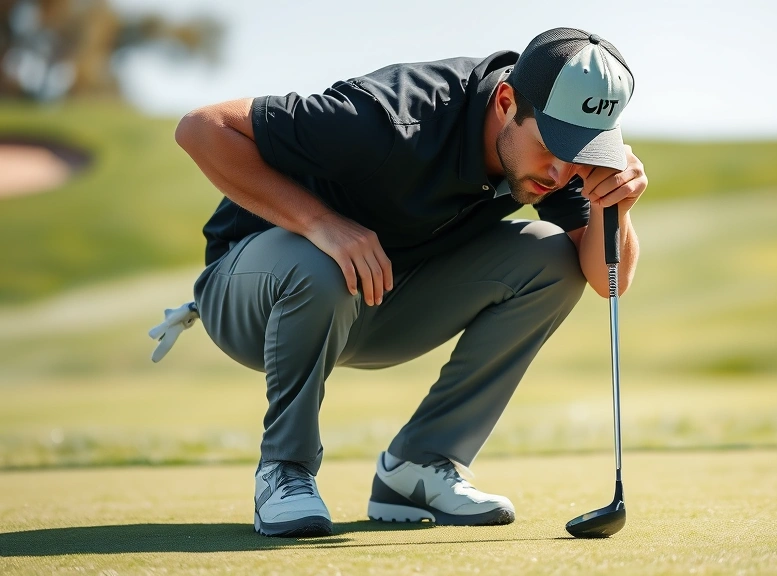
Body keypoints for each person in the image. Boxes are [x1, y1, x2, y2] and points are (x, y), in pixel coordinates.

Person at [171, 27, 647, 538]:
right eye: (552, 144)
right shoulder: (387, 118)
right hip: (254, 301)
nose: (561, 171)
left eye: (582, 151)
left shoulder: (554, 163)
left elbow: (607, 282)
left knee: (553, 258)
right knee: (318, 260)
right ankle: (284, 471)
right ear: (506, 101)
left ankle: (419, 466)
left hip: (377, 303)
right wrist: (320, 223)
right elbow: (202, 128)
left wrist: (612, 208)